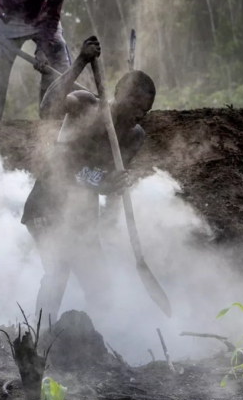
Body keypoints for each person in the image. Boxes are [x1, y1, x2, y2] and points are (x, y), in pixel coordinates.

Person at [20, 47, 156, 325]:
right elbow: (47, 108)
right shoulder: (86, 105)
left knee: (101, 285)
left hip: (81, 216)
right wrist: (81, 60)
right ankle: (38, 339)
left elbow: (103, 185)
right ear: (121, 95)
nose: (140, 115)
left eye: (146, 110)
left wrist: (113, 185)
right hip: (47, 202)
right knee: (58, 271)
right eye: (137, 106)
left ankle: (96, 345)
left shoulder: (133, 136)